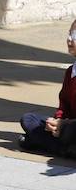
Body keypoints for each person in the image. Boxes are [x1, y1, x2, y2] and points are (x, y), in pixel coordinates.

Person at [17, 19, 76, 157]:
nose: (69, 39)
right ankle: (66, 149)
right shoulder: (70, 72)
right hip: (65, 127)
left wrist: (65, 124)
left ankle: (41, 143)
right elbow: (63, 104)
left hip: (72, 128)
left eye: (74, 36)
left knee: (70, 131)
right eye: (69, 34)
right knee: (29, 119)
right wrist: (56, 122)